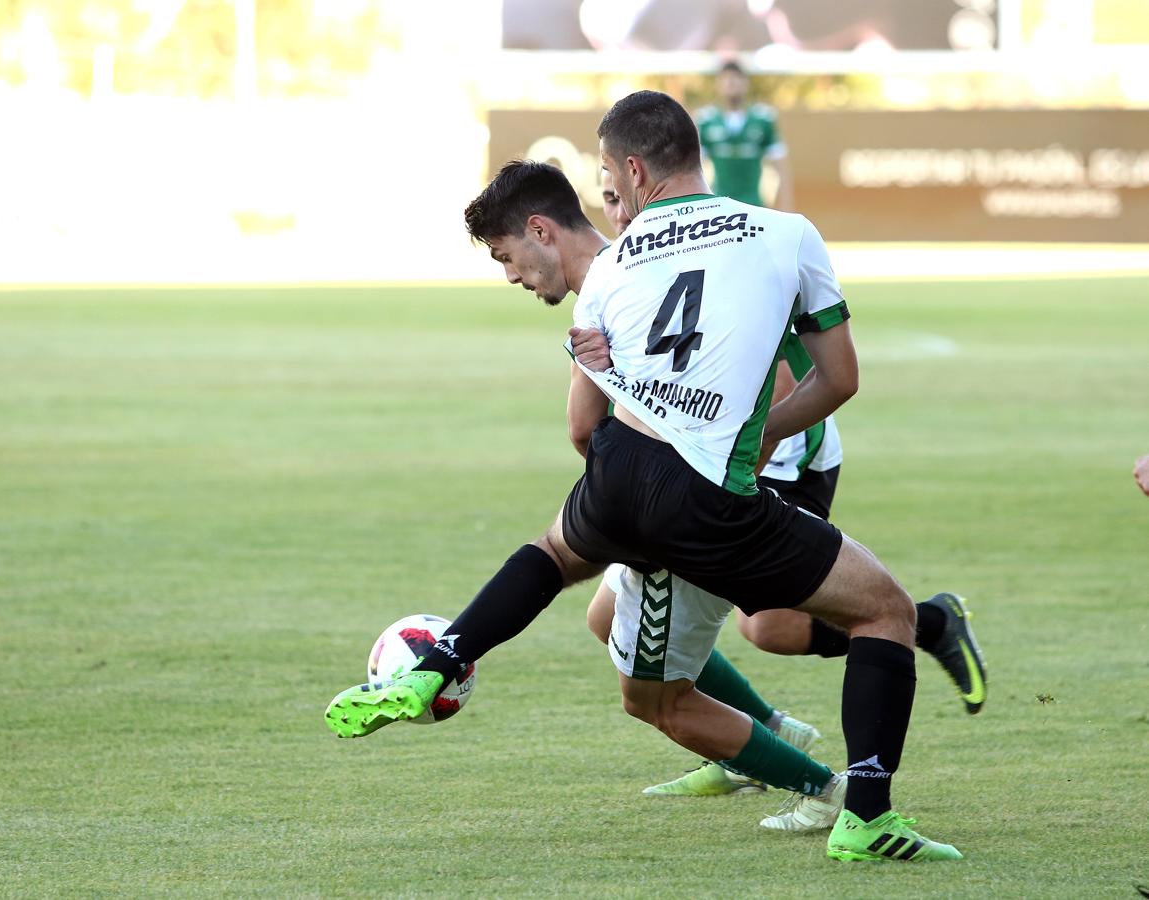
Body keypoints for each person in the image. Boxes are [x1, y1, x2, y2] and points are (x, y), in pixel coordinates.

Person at [327, 91, 963, 862]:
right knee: (884, 610)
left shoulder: (614, 262)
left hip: (618, 468)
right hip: (704, 489)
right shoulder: (786, 234)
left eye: (605, 173)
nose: (608, 191)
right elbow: (836, 381)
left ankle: (444, 656)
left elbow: (582, 428)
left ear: (632, 169)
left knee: (559, 554)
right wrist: (748, 433)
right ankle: (865, 815)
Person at [595, 168, 986, 803]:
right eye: (604, 201)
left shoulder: (719, 253)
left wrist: (732, 471)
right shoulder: (639, 264)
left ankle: (925, 626)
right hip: (712, 466)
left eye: (618, 197)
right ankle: (765, 739)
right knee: (610, 614)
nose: (616, 213)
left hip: (776, 461)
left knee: (770, 629)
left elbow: (779, 383)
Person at [696, 61, 793, 211]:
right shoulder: (706, 120)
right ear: (718, 84)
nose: (731, 83)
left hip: (754, 204)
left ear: (745, 83)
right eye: (726, 79)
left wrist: (787, 208)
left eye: (736, 79)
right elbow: (694, 170)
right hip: (719, 205)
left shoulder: (763, 119)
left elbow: (781, 168)